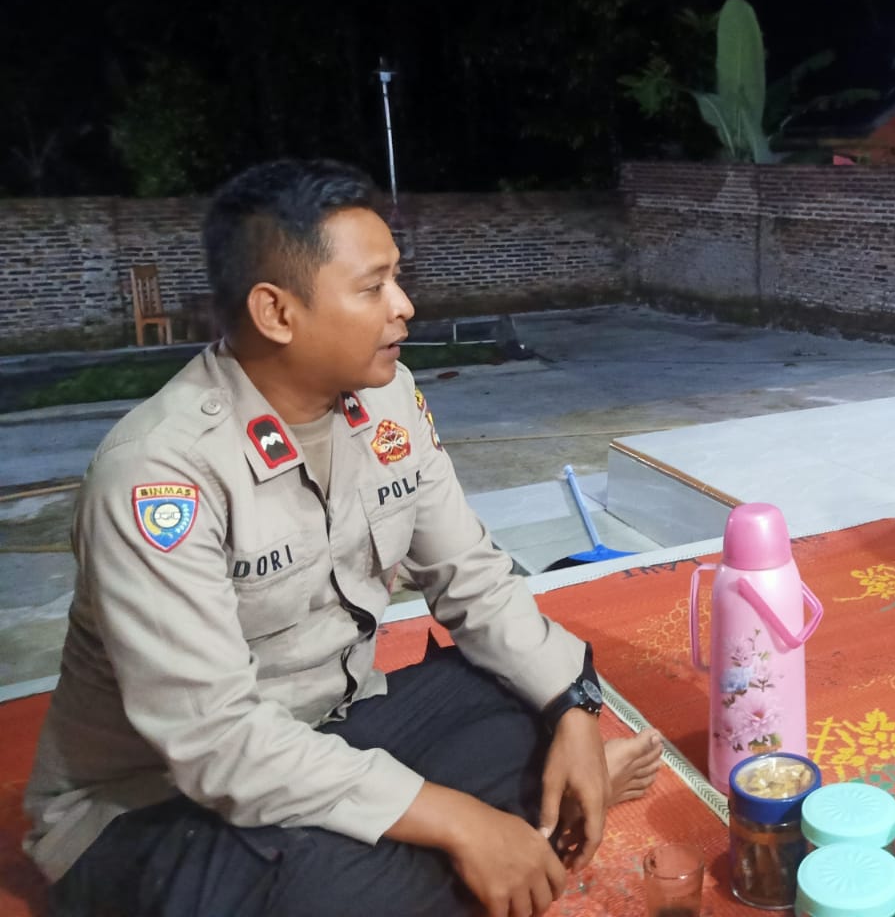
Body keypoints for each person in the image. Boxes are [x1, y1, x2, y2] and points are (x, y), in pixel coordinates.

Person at [25, 160, 662, 917]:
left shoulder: (387, 400)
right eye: (373, 287)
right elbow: (216, 743)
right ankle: (517, 827)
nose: (404, 306)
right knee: (333, 891)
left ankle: (515, 819)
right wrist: (457, 819)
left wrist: (574, 712)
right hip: (155, 807)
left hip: (330, 732)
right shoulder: (161, 475)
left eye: (397, 279)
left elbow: (474, 578)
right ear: (276, 312)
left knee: (520, 698)